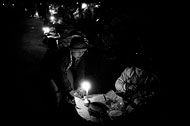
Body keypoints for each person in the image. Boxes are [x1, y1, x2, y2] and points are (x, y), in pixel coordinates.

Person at [40, 35, 89, 123]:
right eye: (78, 52)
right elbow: (60, 74)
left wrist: (79, 87)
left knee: (71, 86)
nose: (81, 54)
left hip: (65, 69)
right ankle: (54, 112)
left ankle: (66, 100)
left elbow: (81, 72)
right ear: (71, 50)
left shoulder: (81, 56)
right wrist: (70, 91)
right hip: (49, 70)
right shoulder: (62, 56)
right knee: (56, 93)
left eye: (83, 51)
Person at [114, 51, 160, 122]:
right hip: (125, 98)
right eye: (139, 70)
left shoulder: (152, 78)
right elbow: (117, 84)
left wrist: (140, 95)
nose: (141, 73)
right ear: (135, 68)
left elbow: (154, 94)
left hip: (139, 104)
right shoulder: (128, 71)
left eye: (143, 71)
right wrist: (126, 86)